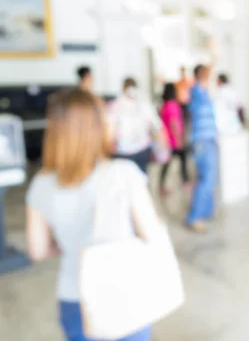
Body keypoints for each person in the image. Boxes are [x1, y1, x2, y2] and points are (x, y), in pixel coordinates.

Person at [26, 88, 161, 341]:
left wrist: (70, 240)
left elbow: (38, 250)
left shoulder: (40, 185)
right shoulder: (124, 173)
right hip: (124, 295)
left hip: (74, 298)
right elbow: (150, 234)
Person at [108, 78, 164, 174]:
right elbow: (157, 128)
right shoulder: (145, 105)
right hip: (142, 151)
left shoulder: (114, 106)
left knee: (123, 184)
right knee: (141, 182)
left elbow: (109, 132)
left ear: (123, 87)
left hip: (122, 153)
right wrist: (160, 151)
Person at [187, 63, 218, 232]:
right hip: (202, 141)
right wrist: (215, 56)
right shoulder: (196, 91)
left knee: (210, 177)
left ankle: (206, 209)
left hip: (209, 139)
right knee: (205, 178)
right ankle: (194, 217)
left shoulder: (204, 92)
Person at [159, 83, 190, 195]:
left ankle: (162, 186)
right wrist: (178, 139)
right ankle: (185, 182)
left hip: (166, 140)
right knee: (182, 159)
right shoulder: (173, 105)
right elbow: (174, 123)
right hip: (173, 141)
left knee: (168, 164)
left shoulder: (164, 105)